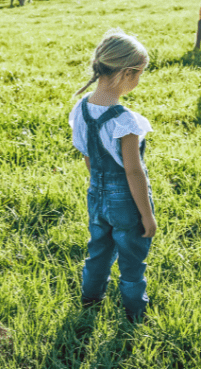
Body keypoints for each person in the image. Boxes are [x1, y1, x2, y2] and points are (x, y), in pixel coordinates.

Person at [68, 28, 156, 321]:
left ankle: (90, 301)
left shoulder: (81, 109)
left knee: (98, 253)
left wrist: (100, 186)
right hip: (126, 202)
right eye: (140, 73)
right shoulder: (126, 122)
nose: (139, 79)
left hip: (96, 194)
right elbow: (133, 171)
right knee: (132, 260)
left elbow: (88, 155)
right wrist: (146, 215)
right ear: (126, 74)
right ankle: (135, 313)